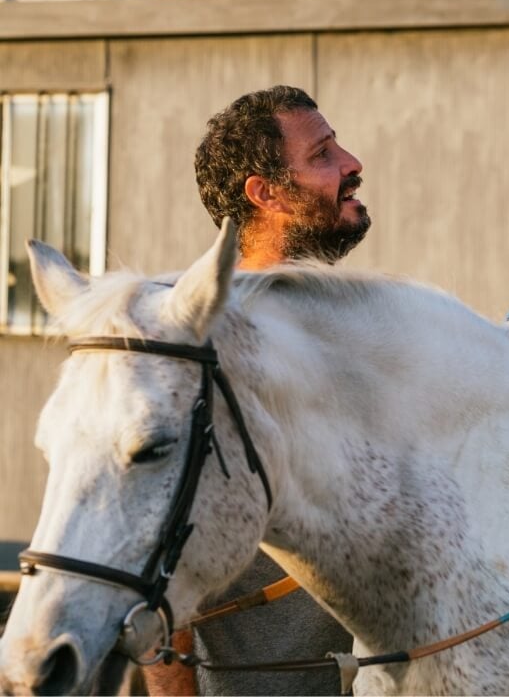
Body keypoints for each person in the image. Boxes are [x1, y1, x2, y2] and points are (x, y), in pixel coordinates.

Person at [144, 85, 363, 696]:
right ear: (264, 194)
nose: (351, 164)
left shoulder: (350, 331)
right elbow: (162, 596)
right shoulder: (202, 354)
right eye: (322, 154)